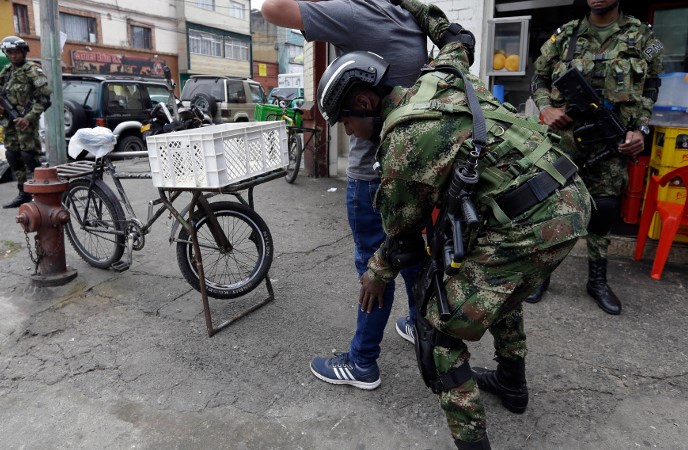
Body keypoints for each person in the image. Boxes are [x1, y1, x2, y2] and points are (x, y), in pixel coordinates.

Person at [316, 29, 592, 448]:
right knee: (501, 292)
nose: (350, 132)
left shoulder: (402, 144)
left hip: (530, 225)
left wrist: (375, 274)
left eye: (346, 121)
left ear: (364, 102)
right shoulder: (444, 69)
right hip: (569, 194)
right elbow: (456, 34)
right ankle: (511, 383)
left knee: (439, 338)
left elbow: (404, 239)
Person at [262, 0, 474, 390]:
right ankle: (420, 325)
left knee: (374, 268)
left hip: (373, 174)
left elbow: (272, 9)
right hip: (417, 168)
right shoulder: (415, 17)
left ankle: (363, 362)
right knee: (412, 258)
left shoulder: (358, 14)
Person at [526, 0, 663, 311]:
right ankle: (543, 274)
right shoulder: (566, 35)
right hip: (565, 140)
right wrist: (546, 108)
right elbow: (539, 78)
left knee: (603, 208)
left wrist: (640, 129)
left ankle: (597, 280)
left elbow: (652, 85)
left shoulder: (641, 36)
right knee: (552, 206)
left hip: (612, 141)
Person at [0, 36, 51, 209]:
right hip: (9, 123)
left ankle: (43, 191)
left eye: (16, 52)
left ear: (23, 52)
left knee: (29, 156)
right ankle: (23, 192)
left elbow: (45, 99)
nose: (13, 56)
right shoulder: (5, 72)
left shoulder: (33, 71)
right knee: (12, 156)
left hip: (26, 122)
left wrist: (28, 118)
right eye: (10, 52)